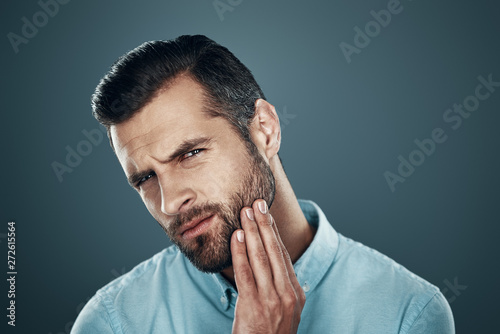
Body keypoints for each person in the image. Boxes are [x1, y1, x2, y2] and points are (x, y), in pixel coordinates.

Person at [72, 35, 454, 333]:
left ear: (264, 131)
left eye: (189, 154)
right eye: (145, 178)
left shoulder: (409, 314)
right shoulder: (112, 324)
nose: (170, 202)